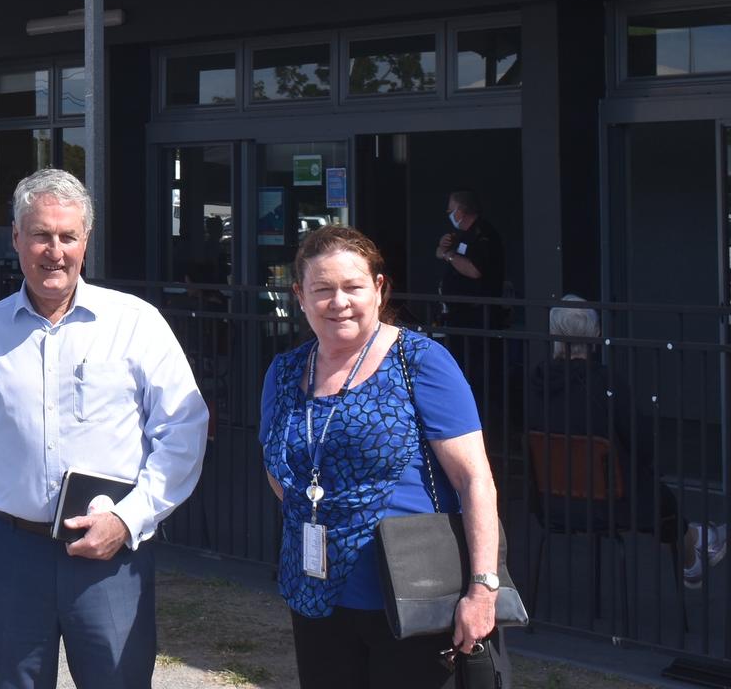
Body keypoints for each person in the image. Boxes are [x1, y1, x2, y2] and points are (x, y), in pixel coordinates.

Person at [0, 168, 209, 689]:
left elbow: (185, 428)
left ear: (86, 240)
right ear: (16, 239)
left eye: (67, 236)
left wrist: (129, 519)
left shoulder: (136, 323)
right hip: (12, 557)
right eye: (39, 235)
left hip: (110, 557)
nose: (53, 251)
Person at [260, 225, 503, 688]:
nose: (339, 302)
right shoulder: (286, 370)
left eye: (352, 287)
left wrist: (482, 587)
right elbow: (277, 465)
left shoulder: (420, 361)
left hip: (414, 594)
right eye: (323, 289)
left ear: (378, 288)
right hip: (315, 590)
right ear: (299, 295)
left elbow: (475, 480)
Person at [529, 295, 725, 589]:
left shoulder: (536, 384)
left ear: (553, 334)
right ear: (596, 335)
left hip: (552, 503)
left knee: (648, 491)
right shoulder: (605, 383)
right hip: (607, 504)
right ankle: (694, 549)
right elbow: (642, 442)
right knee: (657, 496)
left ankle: (697, 546)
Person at [434, 189, 505, 330]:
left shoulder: (483, 234)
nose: (449, 215)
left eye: (450, 212)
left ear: (460, 211)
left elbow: (475, 270)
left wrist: (449, 255)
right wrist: (443, 248)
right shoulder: (464, 234)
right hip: (459, 314)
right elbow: (440, 253)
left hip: (477, 316)